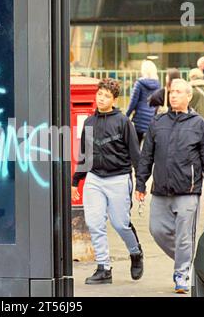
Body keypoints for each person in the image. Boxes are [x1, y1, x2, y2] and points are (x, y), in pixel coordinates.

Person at [135, 79, 204, 294]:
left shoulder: (199, 124)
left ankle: (182, 274)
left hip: (188, 191)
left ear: (189, 96)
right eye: (172, 92)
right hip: (160, 189)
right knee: (157, 230)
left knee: (183, 236)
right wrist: (141, 183)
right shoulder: (158, 122)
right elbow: (146, 156)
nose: (173, 96)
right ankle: (188, 259)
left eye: (179, 92)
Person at [71, 78, 143, 285]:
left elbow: (135, 155)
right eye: (99, 94)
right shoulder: (89, 122)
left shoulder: (123, 122)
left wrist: (140, 184)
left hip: (119, 178)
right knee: (94, 223)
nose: (101, 99)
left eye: (106, 96)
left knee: (120, 224)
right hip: (94, 178)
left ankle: (136, 252)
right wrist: (76, 181)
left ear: (114, 99)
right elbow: (84, 154)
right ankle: (104, 268)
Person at [126, 60, 161, 145]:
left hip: (140, 117)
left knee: (136, 144)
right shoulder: (158, 84)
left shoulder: (139, 83)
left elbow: (133, 101)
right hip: (152, 116)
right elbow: (157, 102)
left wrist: (127, 115)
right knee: (148, 146)